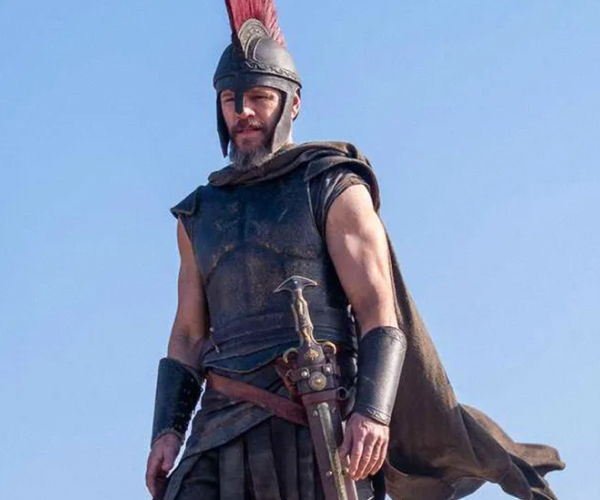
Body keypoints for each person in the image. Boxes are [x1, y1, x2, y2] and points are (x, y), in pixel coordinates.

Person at [146, 2, 564, 500]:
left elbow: (376, 308)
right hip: (218, 424)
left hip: (316, 413)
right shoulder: (199, 213)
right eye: (231, 100)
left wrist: (372, 412)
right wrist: (166, 430)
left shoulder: (332, 184)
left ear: (291, 104)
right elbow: (188, 333)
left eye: (259, 97)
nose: (244, 112)